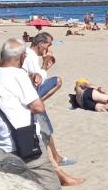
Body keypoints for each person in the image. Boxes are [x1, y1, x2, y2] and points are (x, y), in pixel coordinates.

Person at [0, 39, 90, 190]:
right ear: (22, 58)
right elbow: (37, 106)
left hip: (2, 141)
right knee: (51, 185)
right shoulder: (17, 76)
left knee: (38, 184)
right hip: (23, 141)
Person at [22, 32, 80, 179]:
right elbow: (37, 81)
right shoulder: (31, 57)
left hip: (30, 94)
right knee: (44, 126)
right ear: (41, 44)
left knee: (45, 123)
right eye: (48, 44)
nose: (48, 48)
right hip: (29, 96)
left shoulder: (28, 54)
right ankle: (56, 160)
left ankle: (57, 156)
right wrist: (45, 66)